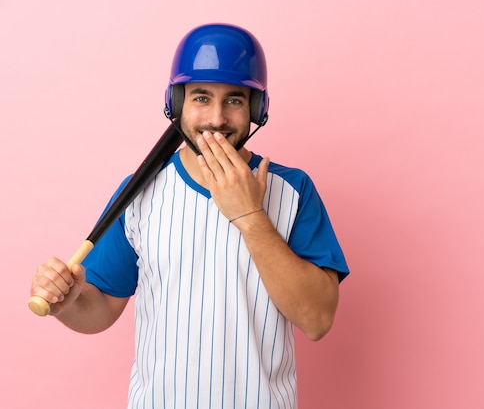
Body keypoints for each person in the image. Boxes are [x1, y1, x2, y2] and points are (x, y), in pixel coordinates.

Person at [30, 23, 350, 408]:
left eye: (234, 100)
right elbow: (100, 312)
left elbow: (317, 320)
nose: (216, 118)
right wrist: (70, 303)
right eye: (201, 97)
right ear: (177, 103)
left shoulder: (295, 190)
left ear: (256, 108)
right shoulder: (139, 192)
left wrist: (250, 216)